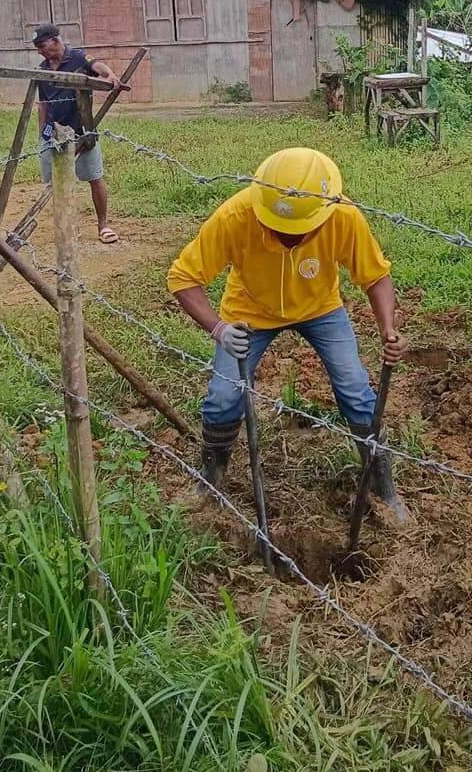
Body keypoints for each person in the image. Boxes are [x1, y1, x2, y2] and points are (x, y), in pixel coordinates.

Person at [167, 145, 410, 521]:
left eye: (298, 231)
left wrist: (388, 329)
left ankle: (384, 491)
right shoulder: (236, 215)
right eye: (278, 229)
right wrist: (219, 329)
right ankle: (210, 484)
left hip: (322, 309)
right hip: (248, 312)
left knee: (355, 390)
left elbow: (375, 275)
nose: (287, 238)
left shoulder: (343, 216)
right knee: (222, 398)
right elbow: (183, 278)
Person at [33, 22, 124, 244]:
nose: (40, 51)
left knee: (94, 177)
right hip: (53, 131)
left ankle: (103, 225)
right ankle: (66, 227)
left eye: (42, 46)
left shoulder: (78, 58)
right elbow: (43, 103)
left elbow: (97, 66)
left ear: (55, 41)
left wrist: (109, 74)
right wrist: (42, 133)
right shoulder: (42, 69)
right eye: (37, 48)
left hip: (82, 129)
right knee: (55, 183)